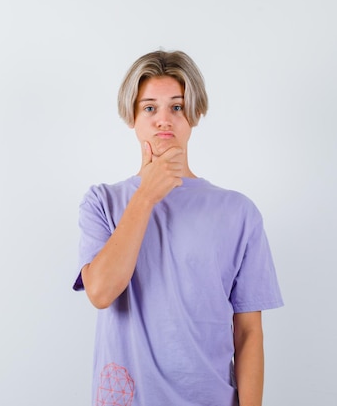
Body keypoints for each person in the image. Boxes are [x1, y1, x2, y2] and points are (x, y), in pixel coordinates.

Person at [73, 50, 283, 406]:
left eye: (177, 107)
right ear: (132, 117)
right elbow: (101, 292)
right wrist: (146, 196)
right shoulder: (102, 203)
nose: (163, 120)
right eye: (150, 107)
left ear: (195, 115)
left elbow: (248, 334)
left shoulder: (237, 212)